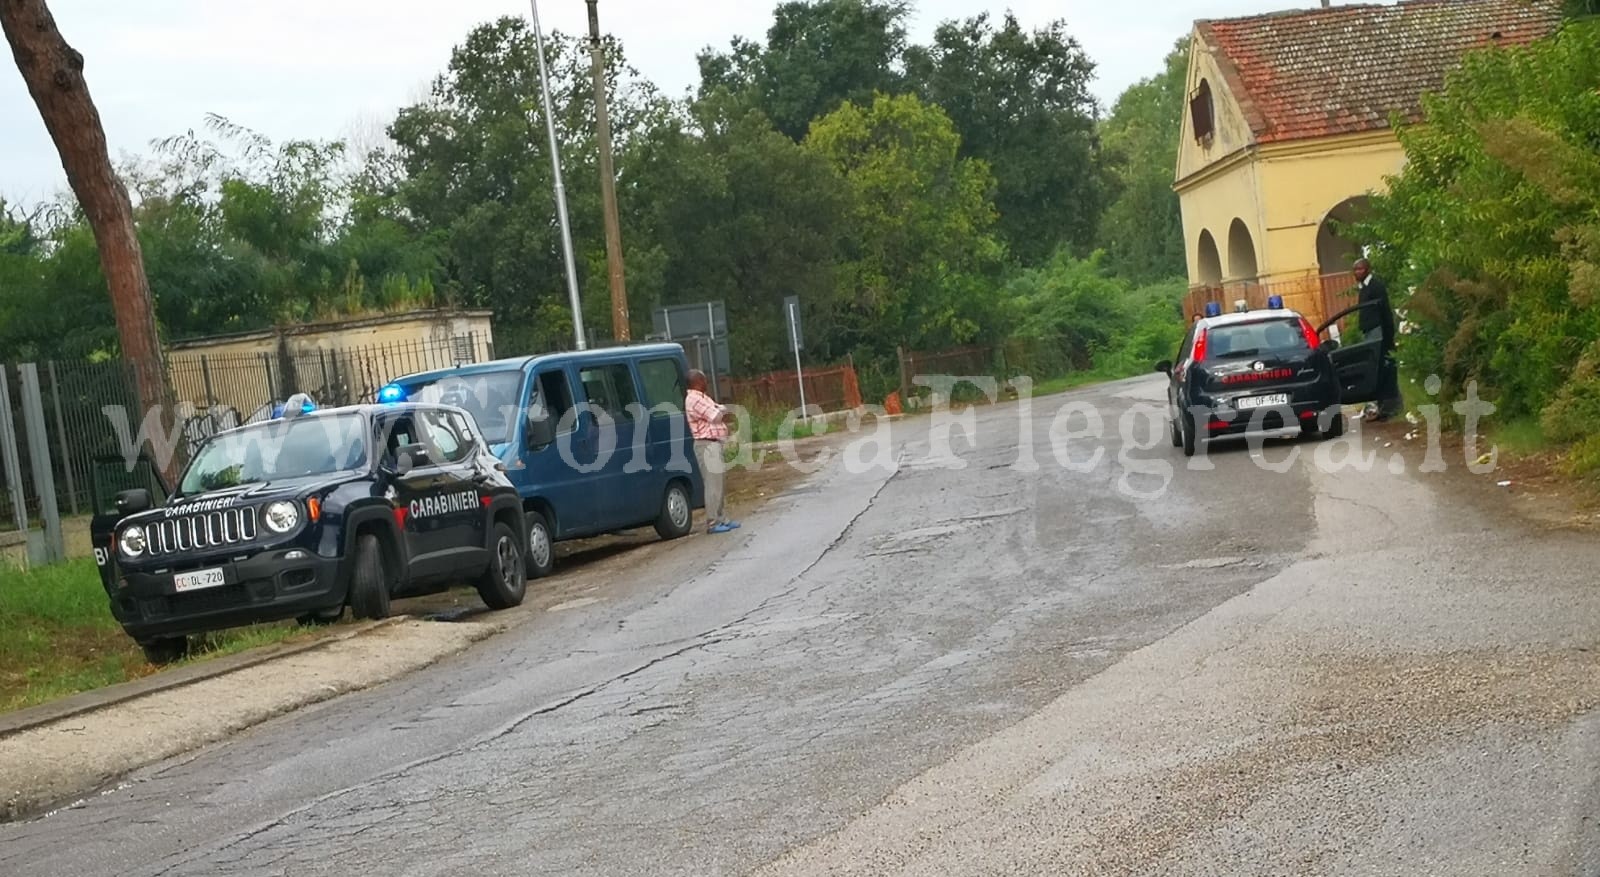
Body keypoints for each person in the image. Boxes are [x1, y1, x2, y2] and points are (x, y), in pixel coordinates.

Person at [685, 369, 739, 534]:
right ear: (698, 382)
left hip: (714, 444)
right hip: (706, 445)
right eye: (705, 380)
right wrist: (721, 410)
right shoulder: (694, 399)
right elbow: (715, 415)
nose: (707, 382)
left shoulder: (702, 397)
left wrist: (720, 410)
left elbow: (718, 409)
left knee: (719, 482)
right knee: (713, 484)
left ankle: (722, 518)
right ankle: (713, 522)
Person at [1353, 257, 1402, 420]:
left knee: (1382, 365)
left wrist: (1388, 336)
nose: (1357, 272)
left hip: (1378, 332)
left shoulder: (1376, 286)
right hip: (1369, 332)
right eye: (1355, 270)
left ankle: (1390, 406)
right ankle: (1382, 406)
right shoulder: (1364, 288)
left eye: (1360, 269)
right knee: (1376, 368)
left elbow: (1384, 311)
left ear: (1368, 269)